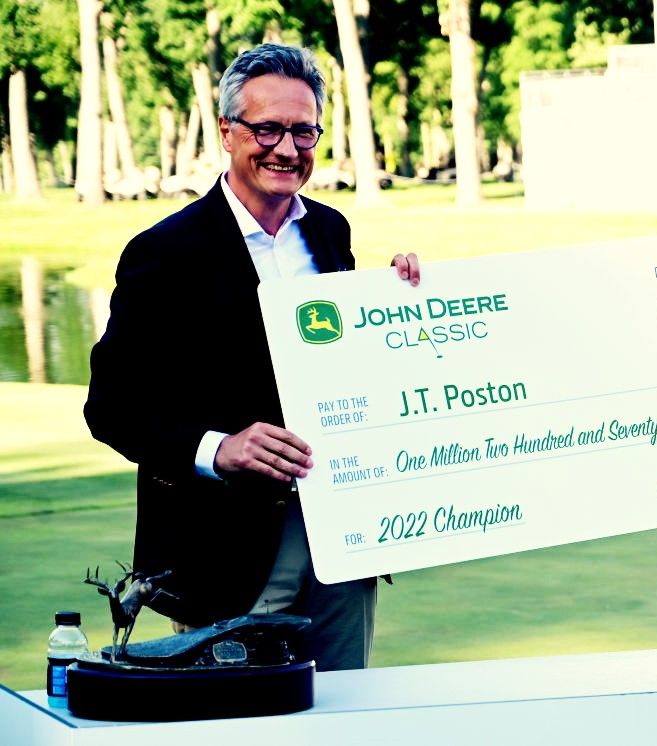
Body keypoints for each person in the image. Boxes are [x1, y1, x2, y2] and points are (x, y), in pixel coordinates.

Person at [84, 44, 420, 671]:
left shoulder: (328, 231)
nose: (287, 149)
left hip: (339, 537)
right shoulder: (164, 253)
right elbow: (111, 408)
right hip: (225, 554)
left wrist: (400, 300)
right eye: (267, 128)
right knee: (239, 726)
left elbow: (343, 357)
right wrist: (219, 448)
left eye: (303, 130)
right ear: (227, 132)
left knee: (346, 716)